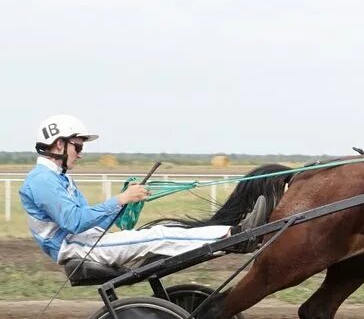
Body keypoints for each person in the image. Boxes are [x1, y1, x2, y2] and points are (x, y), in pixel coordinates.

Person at [19, 115, 268, 269]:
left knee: (162, 233)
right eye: (77, 146)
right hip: (76, 248)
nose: (81, 153)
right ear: (59, 144)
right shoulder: (42, 181)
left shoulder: (57, 178)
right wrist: (120, 199)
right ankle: (235, 235)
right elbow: (74, 222)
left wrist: (126, 203)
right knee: (158, 236)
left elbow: (86, 219)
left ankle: (233, 237)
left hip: (86, 241)